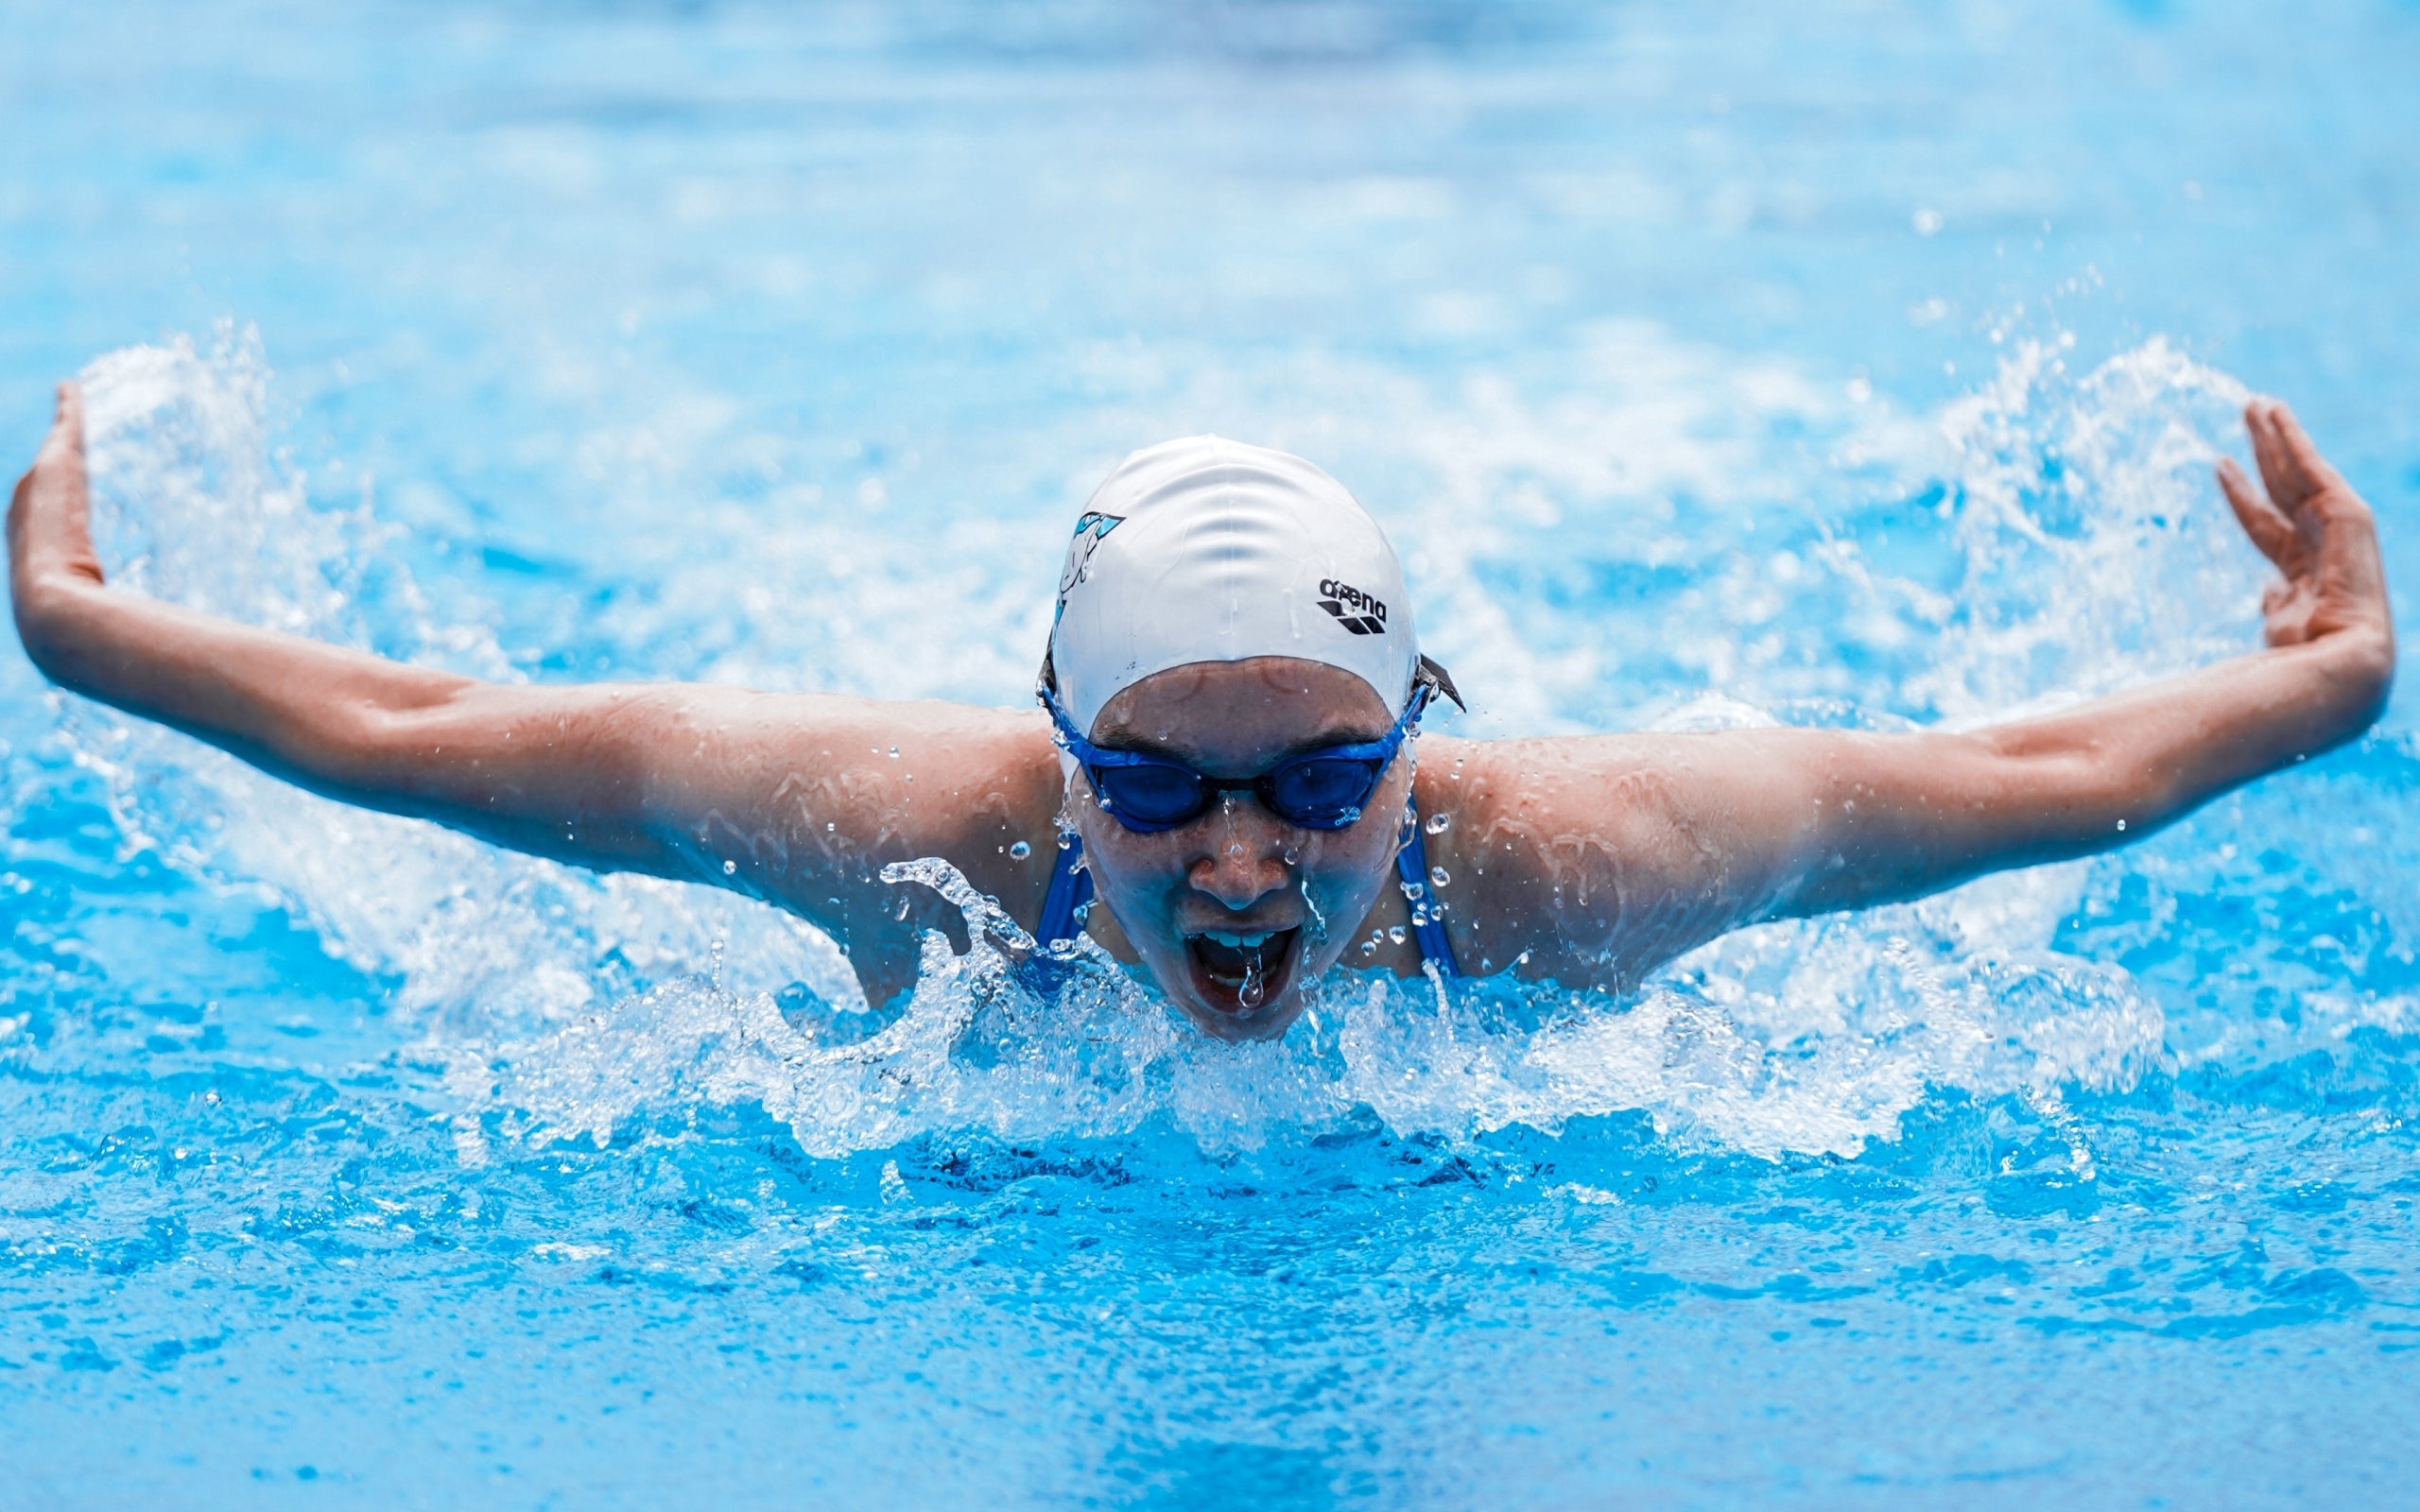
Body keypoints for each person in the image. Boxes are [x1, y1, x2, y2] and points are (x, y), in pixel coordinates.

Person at [8, 387, 2394, 1041]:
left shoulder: (1574, 863)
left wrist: (2326, 680)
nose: (1243, 859)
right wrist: (82, 634)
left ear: (1415, 739)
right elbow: (422, 724)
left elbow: (2027, 777)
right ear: (1059, 756)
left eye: (1322, 778)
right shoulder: (912, 835)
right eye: (1153, 785)